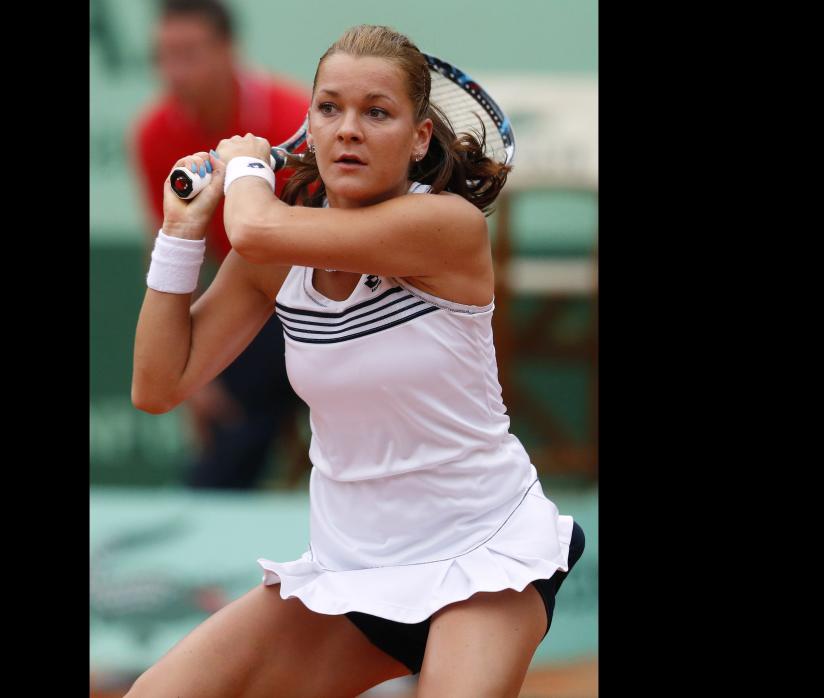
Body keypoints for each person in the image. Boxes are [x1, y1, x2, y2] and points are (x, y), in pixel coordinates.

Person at [130, 24, 585, 697]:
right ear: (309, 124)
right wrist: (179, 233)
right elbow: (158, 385)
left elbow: (255, 225)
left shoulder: (447, 228)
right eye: (330, 108)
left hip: (485, 559)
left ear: (419, 137)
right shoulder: (278, 256)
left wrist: (251, 168)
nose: (349, 128)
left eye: (377, 112)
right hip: (353, 573)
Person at [131, 0, 310, 489]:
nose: (175, 71)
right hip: (246, 300)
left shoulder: (291, 115)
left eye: (189, 54)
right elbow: (173, 248)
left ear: (229, 51)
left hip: (324, 298)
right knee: (223, 412)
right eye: (165, 56)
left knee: (251, 390)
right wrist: (196, 376)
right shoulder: (151, 136)